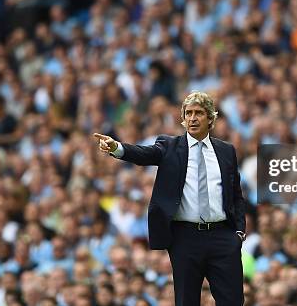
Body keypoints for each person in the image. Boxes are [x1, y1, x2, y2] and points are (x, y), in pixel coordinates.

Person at [94, 91, 245, 306]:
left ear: (210, 118)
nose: (192, 118)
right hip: (185, 237)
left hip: (223, 236)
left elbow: (236, 194)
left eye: (199, 113)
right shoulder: (169, 146)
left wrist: (238, 232)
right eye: (188, 113)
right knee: (186, 301)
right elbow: (143, 154)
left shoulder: (226, 151)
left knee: (233, 301)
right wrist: (117, 148)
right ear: (183, 119)